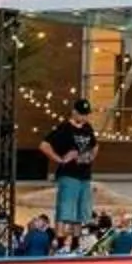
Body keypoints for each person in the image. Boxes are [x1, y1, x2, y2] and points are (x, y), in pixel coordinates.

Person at [43, 97, 100, 227]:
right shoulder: (64, 128)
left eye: (86, 114)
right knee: (66, 212)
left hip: (85, 176)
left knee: (82, 214)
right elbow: (44, 145)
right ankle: (62, 241)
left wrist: (91, 156)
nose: (84, 117)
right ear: (74, 112)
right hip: (69, 174)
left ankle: (76, 242)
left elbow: (96, 145)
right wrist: (60, 159)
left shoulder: (88, 128)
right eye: (82, 114)